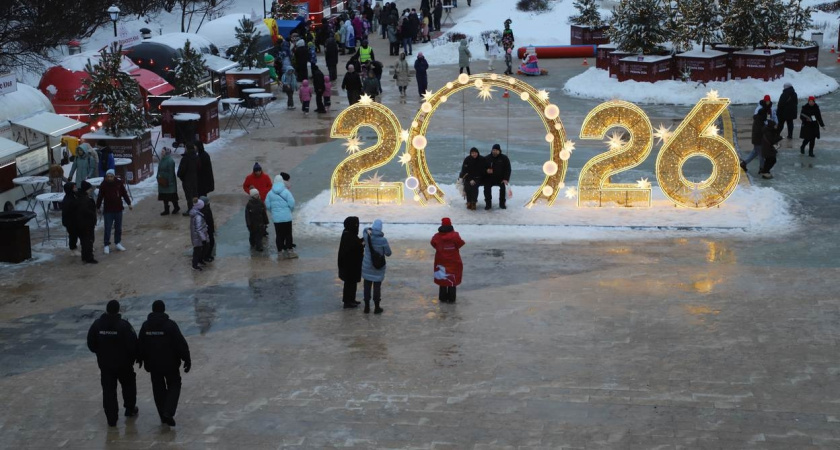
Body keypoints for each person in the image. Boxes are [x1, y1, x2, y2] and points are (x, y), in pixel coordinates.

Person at [137, 300, 191, 427]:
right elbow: (180, 343)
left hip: (153, 365)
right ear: (163, 310)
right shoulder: (170, 325)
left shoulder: (146, 326)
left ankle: (163, 415)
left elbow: (140, 344)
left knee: (158, 389)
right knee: (174, 384)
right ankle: (168, 412)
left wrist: (140, 358)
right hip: (170, 364)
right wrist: (186, 358)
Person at [86, 300, 138, 426]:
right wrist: (133, 358)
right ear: (118, 310)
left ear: (107, 310)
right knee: (128, 386)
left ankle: (111, 418)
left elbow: (91, 344)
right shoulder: (124, 325)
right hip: (124, 364)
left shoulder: (97, 325)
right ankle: (130, 408)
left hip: (106, 365)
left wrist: (101, 353)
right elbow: (133, 344)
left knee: (109, 391)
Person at [97, 169, 132, 254]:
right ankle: (106, 244)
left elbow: (124, 193)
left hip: (118, 209)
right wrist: (97, 207)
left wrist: (129, 203)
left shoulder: (119, 183)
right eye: (108, 176)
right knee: (108, 228)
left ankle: (117, 242)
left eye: (111, 176)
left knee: (118, 227)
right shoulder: (104, 185)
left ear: (114, 176)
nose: (109, 178)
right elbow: (100, 196)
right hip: (108, 210)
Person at [431, 218, 465, 303]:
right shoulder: (455, 236)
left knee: (442, 279)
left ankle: (442, 298)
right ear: (450, 225)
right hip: (454, 261)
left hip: (441, 261)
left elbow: (433, 243)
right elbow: (460, 244)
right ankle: (451, 298)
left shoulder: (437, 236)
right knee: (452, 280)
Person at [361, 219, 391, 314]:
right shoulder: (383, 240)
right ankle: (377, 307)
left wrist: (370, 229)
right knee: (377, 287)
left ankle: (366, 307)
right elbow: (388, 253)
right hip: (378, 267)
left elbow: (365, 230)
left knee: (367, 286)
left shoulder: (367, 236)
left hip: (367, 265)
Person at [266, 173, 297, 259]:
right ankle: (290, 251)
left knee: (279, 235)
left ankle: (280, 253)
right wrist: (289, 211)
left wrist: (273, 212)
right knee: (288, 234)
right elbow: (292, 203)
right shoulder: (286, 192)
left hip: (277, 219)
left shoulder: (270, 193)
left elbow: (267, 205)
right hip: (287, 217)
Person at [338, 216, 364, 308]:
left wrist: (362, 241)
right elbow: (355, 247)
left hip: (351, 265)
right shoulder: (349, 235)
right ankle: (347, 301)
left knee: (352, 283)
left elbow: (356, 243)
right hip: (349, 265)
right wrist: (362, 243)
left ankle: (351, 299)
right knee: (349, 283)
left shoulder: (349, 233)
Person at [741, 102, 769, 173]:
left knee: (755, 153)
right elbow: (761, 131)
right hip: (758, 140)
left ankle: (744, 163)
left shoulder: (758, 119)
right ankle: (762, 169)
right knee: (761, 155)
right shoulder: (760, 122)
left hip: (756, 139)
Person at [76, 180, 98, 264]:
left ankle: (85, 256)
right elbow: (87, 211)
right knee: (88, 241)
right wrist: (93, 215)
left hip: (82, 224)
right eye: (89, 189)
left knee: (84, 241)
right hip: (86, 224)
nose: (90, 190)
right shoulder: (85, 200)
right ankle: (89, 258)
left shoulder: (80, 197)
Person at [484, 143, 511, 210]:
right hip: (489, 178)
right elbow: (482, 168)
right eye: (493, 150)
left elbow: (508, 169)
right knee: (486, 187)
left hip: (501, 179)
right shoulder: (487, 158)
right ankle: (488, 204)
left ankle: (502, 204)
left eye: (496, 150)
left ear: (499, 151)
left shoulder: (504, 158)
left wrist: (506, 179)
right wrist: (486, 171)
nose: (494, 151)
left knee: (503, 187)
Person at [157, 147, 180, 215]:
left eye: (163, 151)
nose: (161, 152)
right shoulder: (162, 160)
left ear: (166, 152)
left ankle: (176, 207)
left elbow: (171, 173)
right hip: (162, 180)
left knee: (171, 196)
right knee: (164, 196)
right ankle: (166, 210)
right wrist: (158, 177)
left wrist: (170, 182)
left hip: (168, 182)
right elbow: (159, 170)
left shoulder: (170, 161)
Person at [177, 145, 199, 215]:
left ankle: (190, 209)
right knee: (195, 194)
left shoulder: (185, 158)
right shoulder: (196, 157)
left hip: (187, 180)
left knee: (189, 196)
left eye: (185, 148)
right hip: (195, 179)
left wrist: (181, 177)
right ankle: (196, 208)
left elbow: (181, 171)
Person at [189, 199, 209, 271]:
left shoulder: (196, 213)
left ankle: (199, 260)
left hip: (197, 236)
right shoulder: (198, 217)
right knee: (197, 250)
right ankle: (194, 265)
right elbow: (199, 229)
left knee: (201, 249)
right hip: (198, 237)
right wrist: (203, 239)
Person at [61, 182, 79, 253]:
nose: (76, 188)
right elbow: (67, 213)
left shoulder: (74, 196)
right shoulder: (68, 200)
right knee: (73, 235)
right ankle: (73, 249)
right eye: (74, 187)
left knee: (76, 234)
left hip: (75, 220)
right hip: (70, 222)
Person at [199, 196, 215, 263]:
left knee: (210, 243)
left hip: (209, 229)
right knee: (208, 244)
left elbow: (210, 220)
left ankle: (207, 255)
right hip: (206, 230)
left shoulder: (206, 209)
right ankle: (205, 256)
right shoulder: (203, 211)